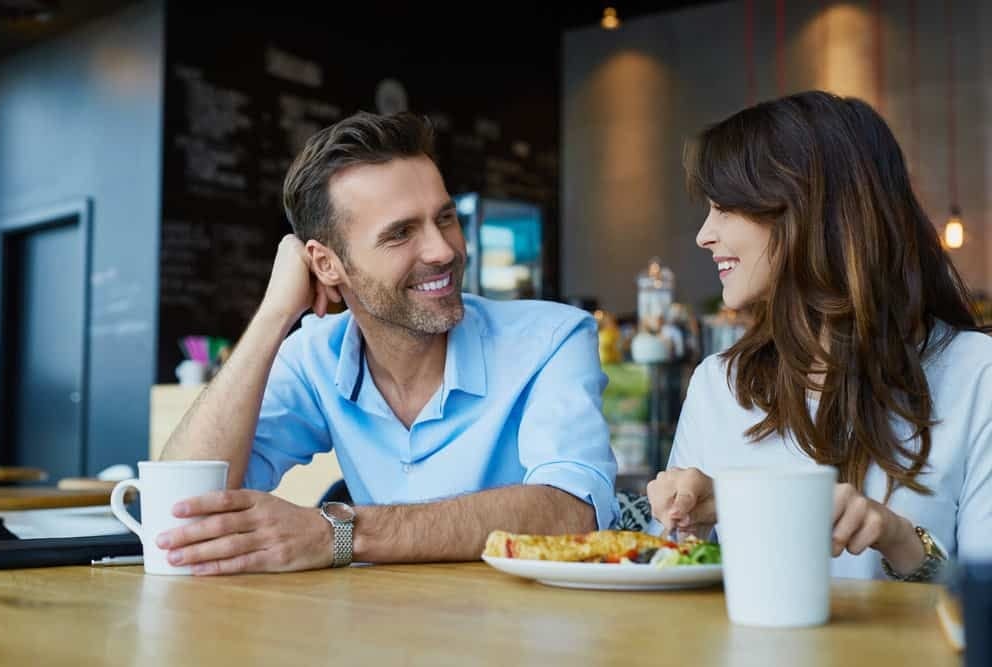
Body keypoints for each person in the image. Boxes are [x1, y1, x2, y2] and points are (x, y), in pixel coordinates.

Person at [159, 111, 617, 574]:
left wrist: (340, 534)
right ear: (326, 264)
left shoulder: (554, 339)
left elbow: (574, 512)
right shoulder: (316, 355)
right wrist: (274, 315)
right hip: (381, 630)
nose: (443, 250)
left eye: (445, 218)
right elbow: (184, 507)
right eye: (400, 233)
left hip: (525, 633)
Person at [648, 91, 992, 581]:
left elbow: (984, 611)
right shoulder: (719, 383)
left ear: (809, 210)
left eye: (725, 207)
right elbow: (670, 584)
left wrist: (899, 539)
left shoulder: (978, 374)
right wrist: (688, 527)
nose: (705, 234)